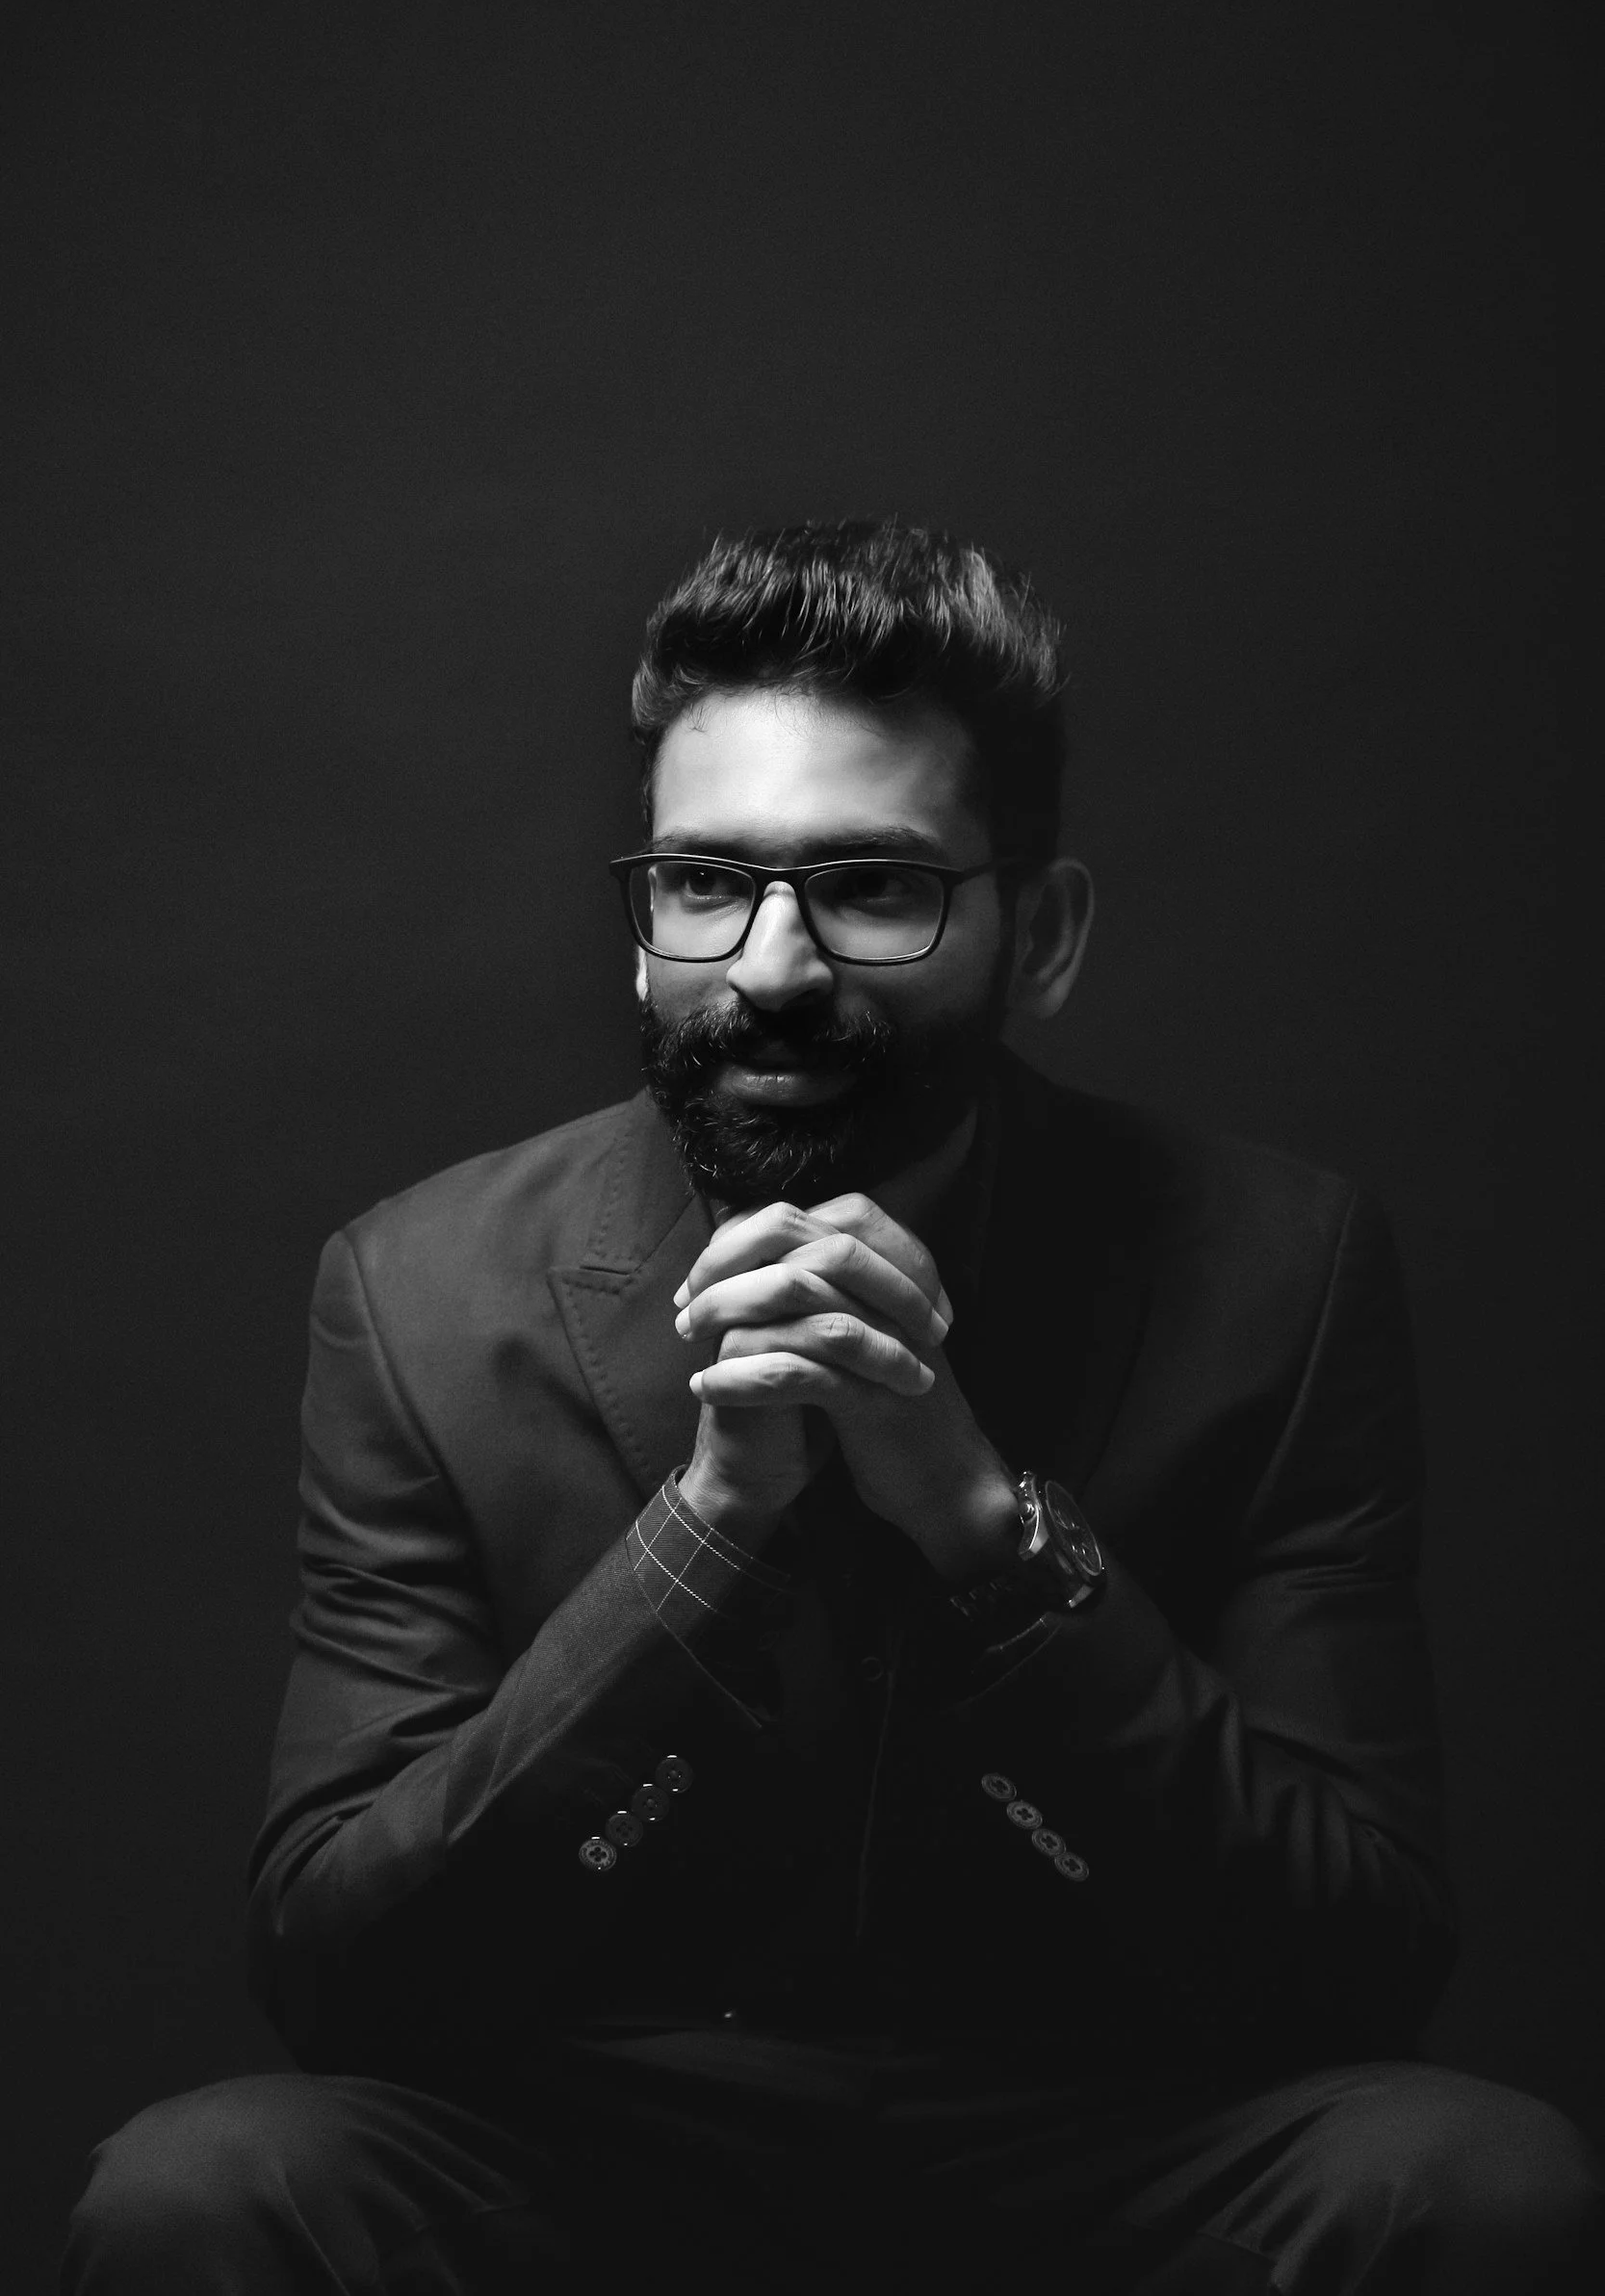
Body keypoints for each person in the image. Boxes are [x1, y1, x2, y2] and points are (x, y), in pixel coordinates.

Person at [65, 521, 1601, 2291]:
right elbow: (342, 1972)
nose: (772, 969)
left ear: (1044, 936)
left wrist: (982, 1527)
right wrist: (704, 1533)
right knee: (204, 2189)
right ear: (643, 931)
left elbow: (1357, 1960)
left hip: (1110, 2138)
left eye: (872, 887)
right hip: (601, 2147)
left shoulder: (1278, 1266)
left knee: (1479, 2181)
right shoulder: (416, 1290)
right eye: (704, 883)